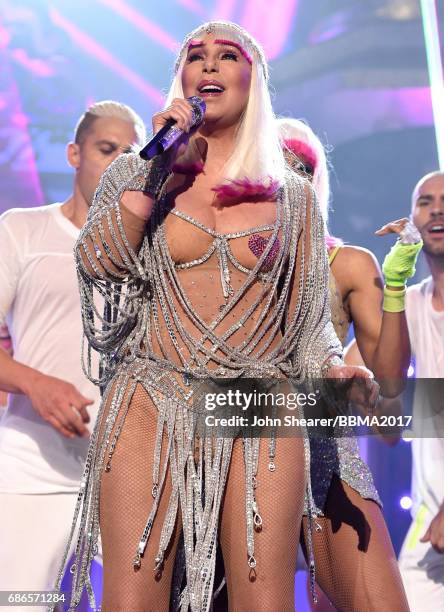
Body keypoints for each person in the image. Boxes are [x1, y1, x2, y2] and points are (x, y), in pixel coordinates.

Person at [52, 21, 378, 612]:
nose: (208, 66)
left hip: (257, 397)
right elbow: (99, 264)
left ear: (254, 81)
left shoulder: (292, 195)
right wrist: (159, 171)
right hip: (153, 393)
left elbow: (306, 320)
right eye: (195, 57)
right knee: (132, 599)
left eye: (228, 56)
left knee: (264, 597)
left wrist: (332, 367)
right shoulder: (137, 172)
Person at [0, 100, 145, 603]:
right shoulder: (22, 229)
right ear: (74, 154)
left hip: (128, 467)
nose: (120, 163)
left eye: (132, 154)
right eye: (108, 150)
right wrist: (37, 384)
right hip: (31, 464)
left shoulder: (153, 250)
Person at [278, 117, 413, 610]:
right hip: (239, 459)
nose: (290, 180)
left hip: (326, 462)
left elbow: (392, 394)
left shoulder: (348, 264)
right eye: (276, 166)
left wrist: (394, 285)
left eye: (301, 168)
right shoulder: (221, 265)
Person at [392, 171, 444, 610]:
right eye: (425, 201)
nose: (437, 209)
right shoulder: (410, 303)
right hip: (431, 528)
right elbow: (354, 372)